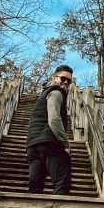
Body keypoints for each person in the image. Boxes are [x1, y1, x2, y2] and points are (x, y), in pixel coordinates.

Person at [26, 64, 73, 194]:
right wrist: (65, 143)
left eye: (69, 80)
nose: (66, 82)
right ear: (54, 77)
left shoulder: (45, 92)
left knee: (35, 185)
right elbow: (53, 118)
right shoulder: (56, 92)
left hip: (33, 145)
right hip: (50, 143)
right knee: (62, 183)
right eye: (63, 78)